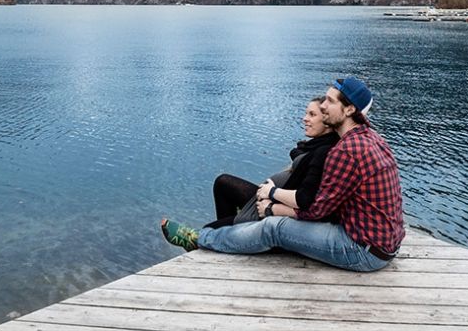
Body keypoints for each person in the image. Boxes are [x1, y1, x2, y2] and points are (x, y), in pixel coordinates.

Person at [160, 77, 404, 272]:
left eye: (329, 101)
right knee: (262, 215)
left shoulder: (346, 150)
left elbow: (315, 210)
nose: (323, 106)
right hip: (382, 243)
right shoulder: (371, 138)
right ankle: (218, 240)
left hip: (361, 250)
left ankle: (199, 239)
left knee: (274, 229)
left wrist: (272, 207)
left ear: (349, 109)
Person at [203, 96, 339, 229]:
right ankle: (230, 234)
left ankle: (229, 234)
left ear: (327, 120)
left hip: (275, 208)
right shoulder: (315, 147)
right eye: (306, 113)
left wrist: (272, 194)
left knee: (209, 230)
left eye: (312, 115)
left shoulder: (323, 152)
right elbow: (298, 154)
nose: (305, 119)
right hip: (273, 199)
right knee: (223, 183)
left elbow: (305, 199)